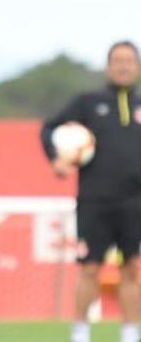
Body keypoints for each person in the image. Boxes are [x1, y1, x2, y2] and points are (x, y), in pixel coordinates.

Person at [41, 40, 141, 342]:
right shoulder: (88, 101)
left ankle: (130, 333)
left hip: (135, 202)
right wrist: (56, 158)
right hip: (94, 200)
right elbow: (49, 128)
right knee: (90, 268)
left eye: (129, 60)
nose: (123, 66)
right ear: (109, 65)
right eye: (117, 60)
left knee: (132, 270)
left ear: (136, 67)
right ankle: (81, 332)